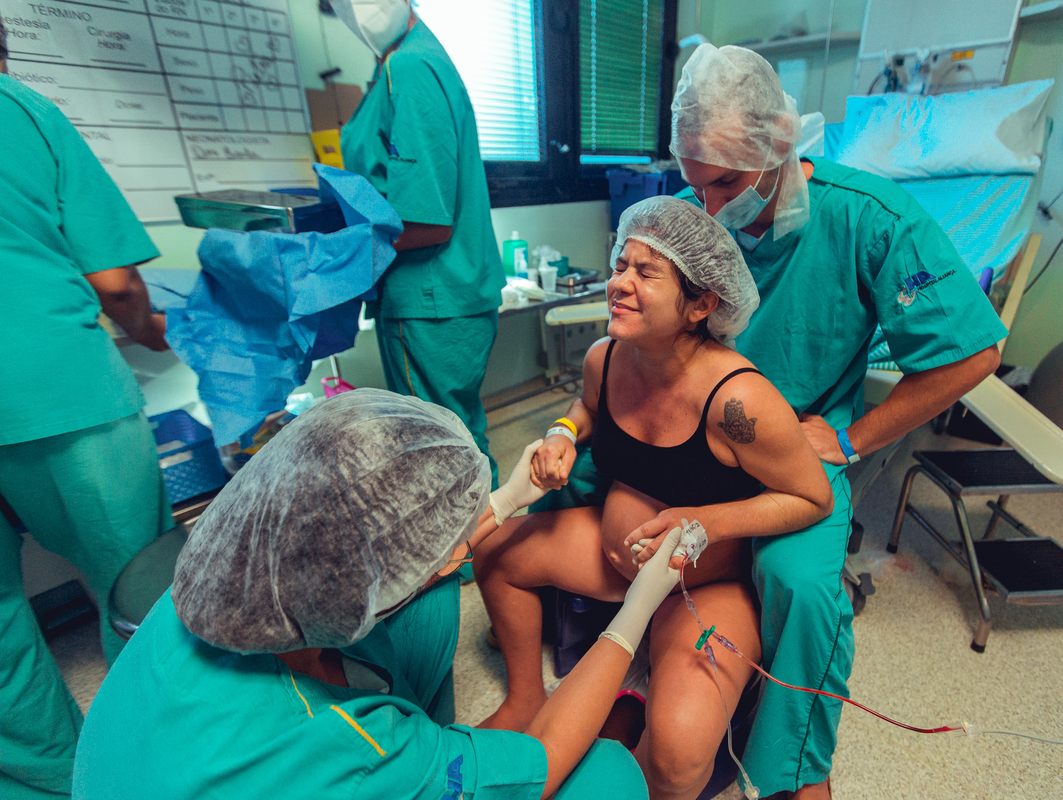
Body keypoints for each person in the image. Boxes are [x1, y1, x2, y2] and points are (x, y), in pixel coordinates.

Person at [666, 45, 1008, 799]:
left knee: (801, 586)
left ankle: (793, 771)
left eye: (726, 182)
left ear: (780, 145)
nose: (712, 212)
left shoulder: (869, 219)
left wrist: (850, 439)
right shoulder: (690, 220)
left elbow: (972, 352)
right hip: (689, 433)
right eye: (695, 187)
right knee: (586, 508)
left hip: (793, 450)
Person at [71, 389, 695, 799]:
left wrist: (503, 500)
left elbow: (378, 545)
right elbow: (547, 758)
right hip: (316, 763)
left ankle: (446, 744)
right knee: (607, 777)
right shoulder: (352, 749)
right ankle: (448, 765)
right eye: (442, 547)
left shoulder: (221, 583)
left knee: (426, 611)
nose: (455, 553)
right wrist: (635, 612)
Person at [473, 196, 835, 800]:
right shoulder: (606, 358)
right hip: (614, 560)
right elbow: (587, 410)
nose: (619, 283)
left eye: (646, 273)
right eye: (621, 265)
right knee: (495, 555)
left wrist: (707, 521)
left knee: (676, 759)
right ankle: (522, 697)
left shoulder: (737, 402)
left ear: (701, 304)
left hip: (701, 585)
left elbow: (811, 496)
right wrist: (563, 437)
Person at [0, 9, 174, 798]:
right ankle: (164, 759)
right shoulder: (22, 111)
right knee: (143, 587)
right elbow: (116, 283)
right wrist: (152, 330)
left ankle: (58, 782)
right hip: (54, 387)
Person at [335, 0, 505, 485]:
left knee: (437, 458)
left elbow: (428, 221)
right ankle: (489, 554)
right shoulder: (403, 61)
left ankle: (467, 561)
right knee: (460, 442)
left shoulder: (411, 65)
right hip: (443, 296)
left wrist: (335, 256)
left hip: (431, 297)